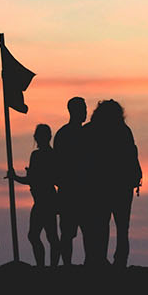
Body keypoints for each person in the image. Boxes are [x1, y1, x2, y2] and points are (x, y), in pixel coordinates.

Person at [85, 100, 142, 267]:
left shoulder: (90, 130)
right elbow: (132, 155)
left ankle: (101, 259)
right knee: (122, 227)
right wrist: (135, 175)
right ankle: (119, 260)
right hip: (120, 185)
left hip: (100, 186)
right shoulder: (123, 131)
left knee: (101, 224)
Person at [9, 125, 59, 267]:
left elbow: (33, 179)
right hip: (44, 198)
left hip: (45, 199)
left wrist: (16, 177)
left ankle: (45, 266)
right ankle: (46, 266)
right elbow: (33, 179)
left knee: (43, 236)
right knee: (44, 236)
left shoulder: (39, 156)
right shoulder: (49, 154)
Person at [52, 97, 88, 266]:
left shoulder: (64, 134)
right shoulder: (78, 134)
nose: (85, 112)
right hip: (74, 190)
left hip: (74, 189)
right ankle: (68, 264)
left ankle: (72, 264)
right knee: (69, 232)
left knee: (76, 232)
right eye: (83, 109)